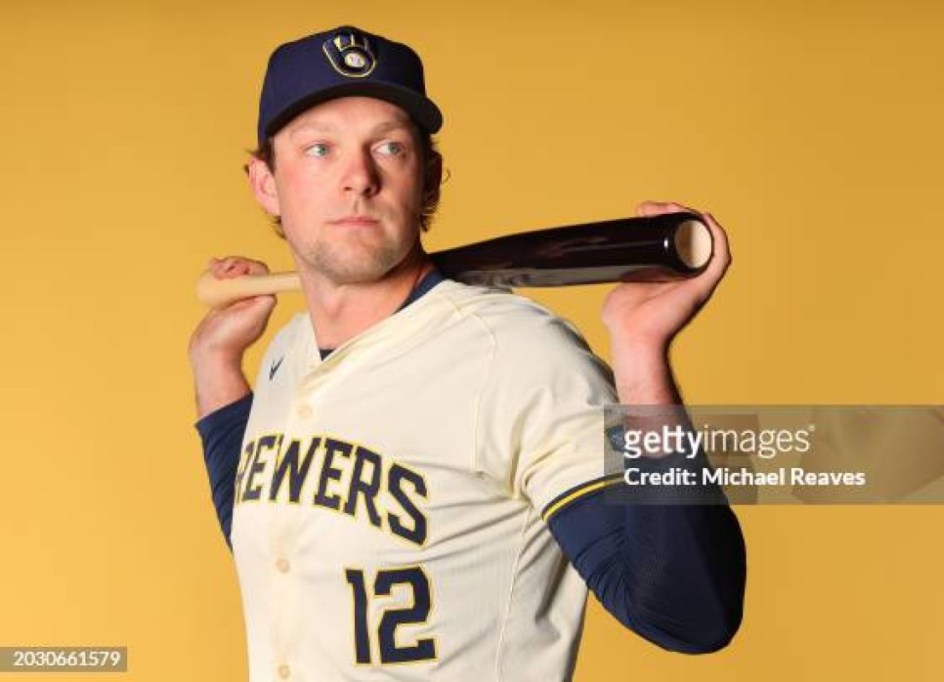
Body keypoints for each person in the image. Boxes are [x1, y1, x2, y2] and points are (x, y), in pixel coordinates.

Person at [189, 24, 745, 682]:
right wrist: (216, 370)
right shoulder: (289, 350)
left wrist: (640, 351)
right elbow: (279, 548)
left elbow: (689, 615)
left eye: (389, 147)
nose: (358, 178)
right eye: (319, 149)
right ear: (265, 182)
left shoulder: (517, 358)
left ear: (428, 177)